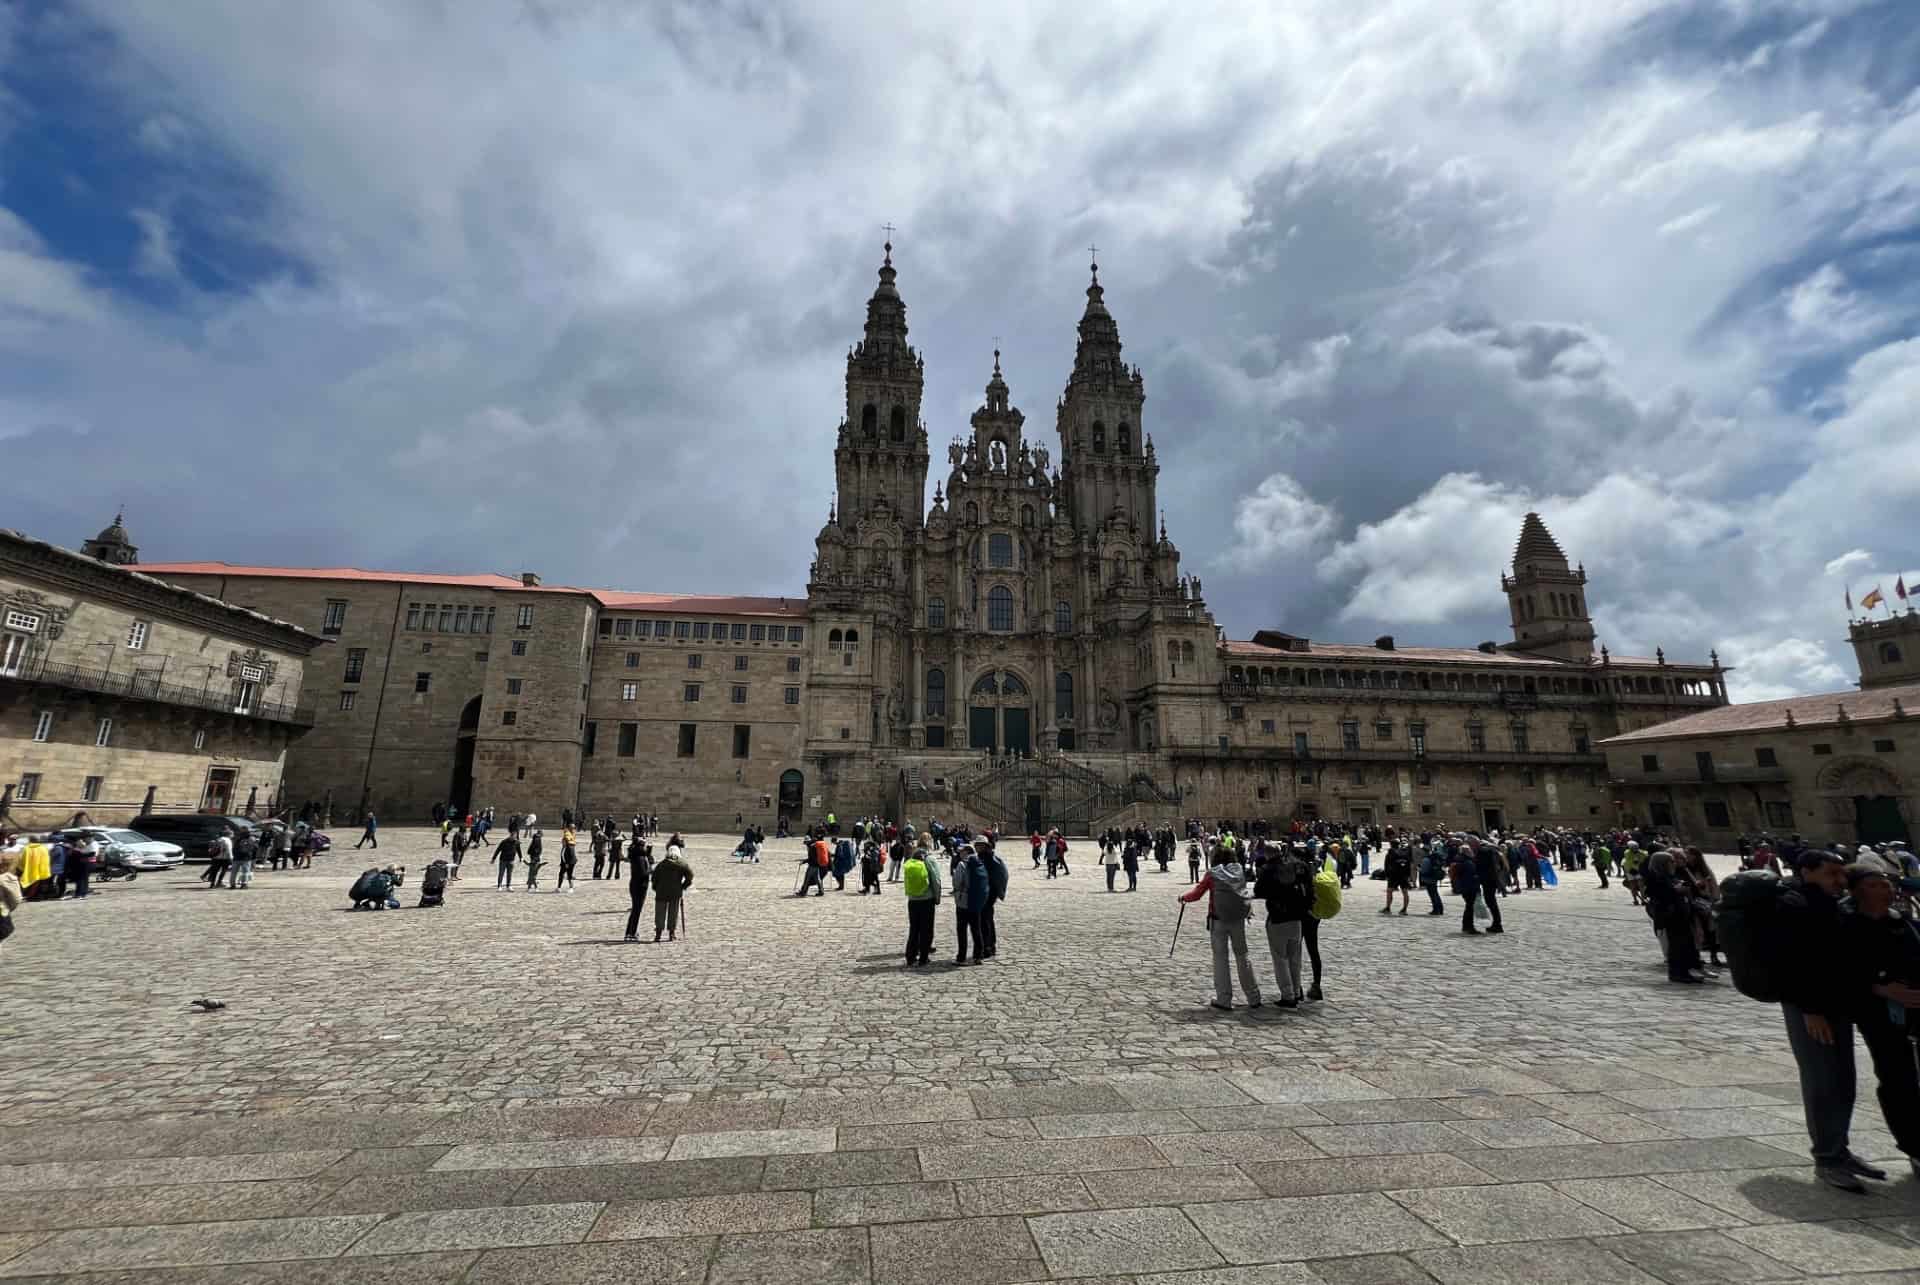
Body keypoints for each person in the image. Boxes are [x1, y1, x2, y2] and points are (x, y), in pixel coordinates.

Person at [1778, 851, 1920, 1190]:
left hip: (1847, 1010)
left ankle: (1838, 1153)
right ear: (1806, 871)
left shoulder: (1894, 921)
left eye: (1887, 883)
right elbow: (1804, 963)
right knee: (1828, 1082)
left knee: (1843, 1081)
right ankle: (1830, 1157)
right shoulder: (1802, 909)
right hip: (1828, 1012)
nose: (1886, 889)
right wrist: (1814, 1009)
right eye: (1833, 874)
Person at [1841, 861, 1920, 1180]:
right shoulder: (1845, 926)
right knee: (1898, 1079)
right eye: (1875, 884)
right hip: (1880, 1017)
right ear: (1858, 890)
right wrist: (1880, 988)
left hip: (1917, 1012)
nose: (1885, 888)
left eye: (1886, 883)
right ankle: (1915, 1146)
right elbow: (1838, 973)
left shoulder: (1905, 923)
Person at [1179, 843, 1262, 1011]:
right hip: (1238, 919)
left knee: (1220, 959)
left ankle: (1224, 998)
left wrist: (1183, 897)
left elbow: (1197, 893)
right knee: (1242, 956)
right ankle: (1254, 996)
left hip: (1218, 920)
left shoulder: (1212, 874)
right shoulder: (1239, 870)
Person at [1255, 845, 1310, 1008]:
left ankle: (1288, 995)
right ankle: (1297, 991)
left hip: (1278, 918)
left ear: (1268, 855)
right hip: (1296, 918)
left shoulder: (1268, 870)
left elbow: (1259, 891)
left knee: (1280, 959)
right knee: (1295, 958)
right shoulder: (1294, 867)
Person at [1645, 849, 1706, 984]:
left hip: (1681, 915)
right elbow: (1660, 896)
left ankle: (1685, 971)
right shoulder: (1656, 878)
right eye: (1670, 861)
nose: (1673, 864)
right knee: (1676, 946)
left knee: (1685, 945)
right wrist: (1676, 890)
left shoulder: (1669, 876)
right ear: (1662, 864)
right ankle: (1677, 973)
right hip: (1671, 917)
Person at [903, 843, 941, 966]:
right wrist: (937, 897)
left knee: (914, 929)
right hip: (927, 900)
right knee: (926, 929)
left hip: (913, 900)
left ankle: (910, 957)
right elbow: (935, 880)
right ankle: (923, 958)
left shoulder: (909, 863)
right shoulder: (928, 861)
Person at [651, 835, 692, 941]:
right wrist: (683, 886)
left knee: (660, 912)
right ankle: (671, 933)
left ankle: (658, 934)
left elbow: (654, 877)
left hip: (661, 891)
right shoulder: (681, 863)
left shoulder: (661, 864)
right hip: (675, 891)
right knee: (673, 912)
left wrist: (655, 887)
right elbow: (690, 875)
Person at [951, 843, 987, 965]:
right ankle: (978, 955)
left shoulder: (962, 865)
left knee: (962, 930)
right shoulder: (980, 863)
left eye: (961, 851)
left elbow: (956, 883)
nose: (959, 853)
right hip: (976, 901)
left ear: (967, 852)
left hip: (963, 901)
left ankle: (961, 957)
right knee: (976, 929)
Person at [979, 841, 1007, 959]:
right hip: (986, 894)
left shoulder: (990, 860)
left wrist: (998, 892)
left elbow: (1001, 876)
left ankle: (988, 946)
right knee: (986, 920)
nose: (977, 848)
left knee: (985, 920)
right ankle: (989, 945)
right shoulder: (985, 858)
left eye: (979, 846)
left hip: (988, 894)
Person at [623, 836, 654, 942]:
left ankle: (629, 932)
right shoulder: (640, 857)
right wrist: (651, 871)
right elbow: (643, 872)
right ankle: (631, 932)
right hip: (640, 885)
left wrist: (649, 855)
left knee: (635, 910)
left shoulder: (637, 855)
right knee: (636, 910)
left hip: (635, 884)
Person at [1381, 842, 1412, 915]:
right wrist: (1408, 875)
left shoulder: (1390, 853)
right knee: (1405, 892)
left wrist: (1387, 875)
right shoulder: (1405, 853)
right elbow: (1409, 864)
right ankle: (1404, 909)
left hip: (1393, 875)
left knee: (1389, 891)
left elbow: (1386, 865)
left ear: (1391, 845)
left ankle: (1388, 908)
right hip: (1404, 875)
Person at [1418, 842, 1447, 915]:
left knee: (1432, 895)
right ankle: (1440, 909)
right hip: (1434, 877)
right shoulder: (1435, 858)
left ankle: (1436, 910)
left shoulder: (1426, 859)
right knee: (1436, 893)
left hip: (1428, 878)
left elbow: (1424, 870)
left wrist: (1419, 869)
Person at [555, 828, 577, 892]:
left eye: (563, 841)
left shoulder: (569, 847)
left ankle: (571, 888)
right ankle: (559, 888)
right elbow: (563, 856)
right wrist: (562, 863)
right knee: (561, 874)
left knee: (569, 875)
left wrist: (567, 864)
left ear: (565, 841)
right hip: (565, 863)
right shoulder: (564, 847)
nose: (562, 842)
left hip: (570, 863)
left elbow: (571, 856)